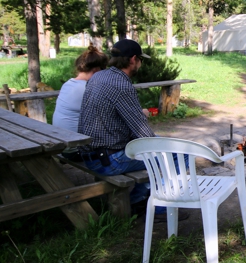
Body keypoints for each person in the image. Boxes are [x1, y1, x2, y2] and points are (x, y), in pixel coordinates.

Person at [77, 39, 187, 220]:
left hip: (91, 152)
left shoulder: (99, 76)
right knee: (179, 154)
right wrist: (163, 145)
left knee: (164, 146)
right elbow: (144, 135)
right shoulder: (121, 85)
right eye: (140, 60)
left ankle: (138, 198)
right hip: (108, 160)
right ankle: (161, 208)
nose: (140, 64)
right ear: (133, 60)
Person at [53, 46, 108, 161]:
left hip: (63, 145)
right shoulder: (88, 88)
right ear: (96, 70)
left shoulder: (68, 84)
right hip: (77, 150)